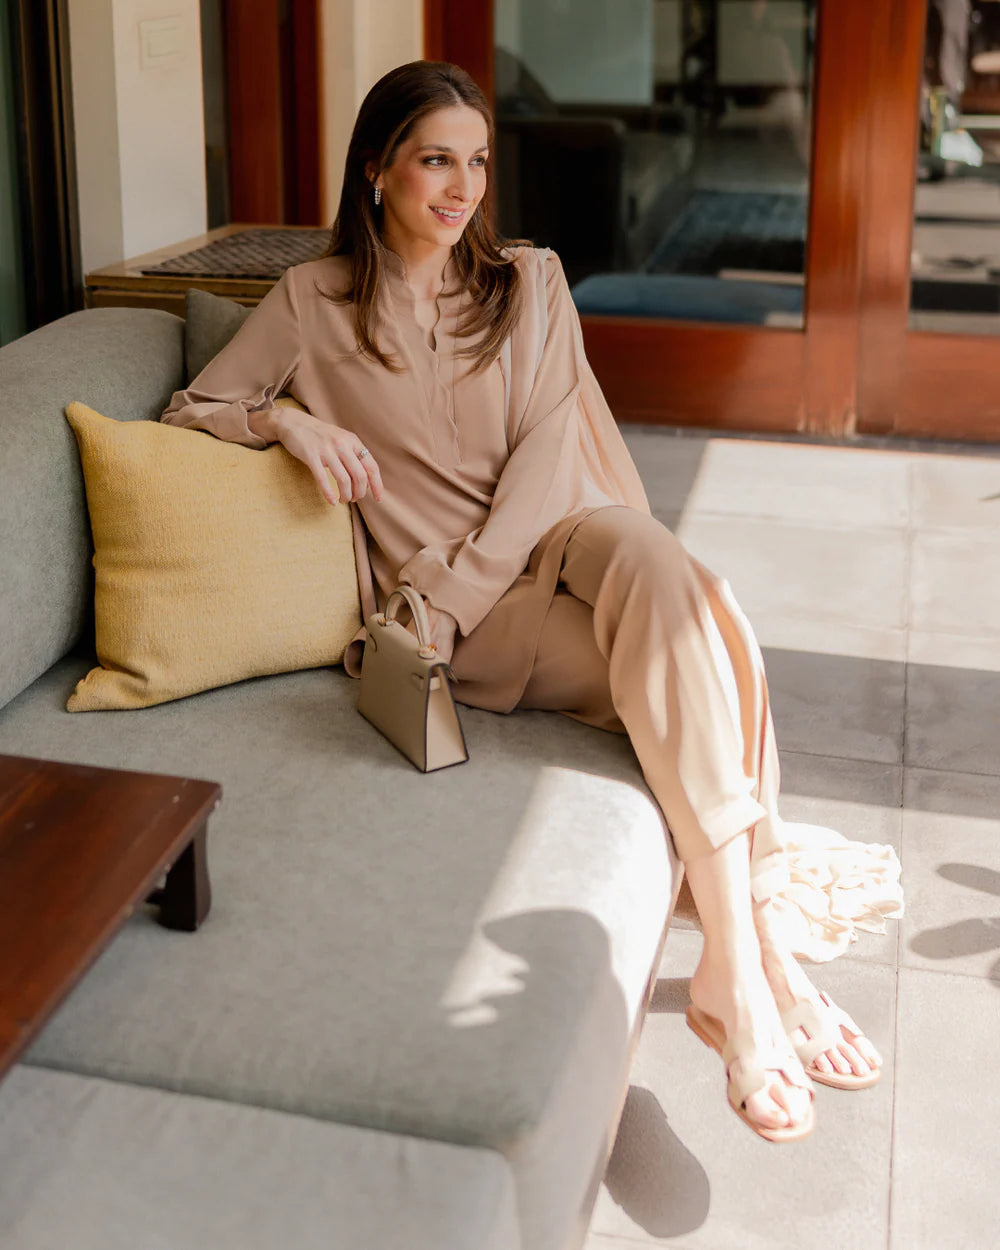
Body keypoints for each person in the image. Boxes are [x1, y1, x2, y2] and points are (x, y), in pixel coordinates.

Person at [161, 60, 902, 1142]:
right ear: (376, 171)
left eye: (475, 162)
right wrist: (287, 422)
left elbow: (555, 449)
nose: (462, 188)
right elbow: (191, 410)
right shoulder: (309, 305)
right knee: (694, 656)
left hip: (546, 539)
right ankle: (758, 966)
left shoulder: (530, 280)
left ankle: (735, 974)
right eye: (435, 161)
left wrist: (458, 587)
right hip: (471, 624)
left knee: (663, 569)